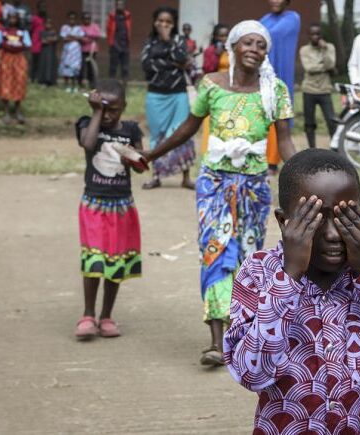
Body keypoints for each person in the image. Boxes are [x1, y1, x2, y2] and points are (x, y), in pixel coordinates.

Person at [223, 148, 360, 433]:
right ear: (284, 222)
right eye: (316, 218)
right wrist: (289, 276)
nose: (332, 234)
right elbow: (250, 372)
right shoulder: (259, 272)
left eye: (346, 217)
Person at [140, 20, 296, 366]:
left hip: (254, 187)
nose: (254, 50)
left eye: (261, 45)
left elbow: (284, 141)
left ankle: (241, 334)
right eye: (248, 43)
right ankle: (216, 341)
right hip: (214, 183)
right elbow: (188, 128)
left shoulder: (275, 91)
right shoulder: (211, 85)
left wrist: (305, 175)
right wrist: (151, 155)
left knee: (247, 256)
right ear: (234, 48)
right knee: (214, 251)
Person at [74, 78, 144, 341]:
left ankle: (106, 315)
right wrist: (95, 112)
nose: (106, 115)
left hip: (122, 206)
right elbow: (88, 144)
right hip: (94, 204)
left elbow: (141, 164)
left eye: (112, 109)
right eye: (102, 109)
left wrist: (133, 156)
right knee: (94, 259)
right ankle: (87, 314)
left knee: (115, 262)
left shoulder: (131, 130)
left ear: (123, 107)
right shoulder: (87, 123)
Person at [140, 6, 195, 190]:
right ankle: (157, 176)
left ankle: (186, 177)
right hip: (156, 96)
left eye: (168, 22)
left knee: (182, 133)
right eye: (161, 21)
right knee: (158, 136)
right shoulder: (149, 42)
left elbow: (183, 59)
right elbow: (147, 65)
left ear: (174, 24)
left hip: (178, 95)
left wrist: (167, 41)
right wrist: (173, 64)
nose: (164, 25)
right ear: (155, 22)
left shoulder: (179, 40)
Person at [261, 0, 300, 173]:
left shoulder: (293, 18)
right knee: (262, 116)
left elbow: (269, 34)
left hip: (281, 74)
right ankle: (263, 159)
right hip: (262, 75)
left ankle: (273, 162)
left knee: (279, 117)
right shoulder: (264, 18)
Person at [299, 22, 336, 149]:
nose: (315, 36)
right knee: (309, 123)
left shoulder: (329, 47)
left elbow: (331, 65)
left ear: (321, 35)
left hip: (325, 90)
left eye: (318, 34)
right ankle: (312, 148)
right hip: (309, 90)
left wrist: (324, 51)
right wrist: (324, 67)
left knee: (331, 121)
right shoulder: (304, 50)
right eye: (313, 34)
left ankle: (335, 147)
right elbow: (309, 68)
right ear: (309, 36)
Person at [198, 23, 230, 154]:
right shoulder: (210, 51)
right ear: (216, 36)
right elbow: (208, 70)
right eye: (221, 35)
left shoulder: (234, 50)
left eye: (226, 35)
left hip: (231, 88)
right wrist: (217, 55)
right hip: (216, 88)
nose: (224, 38)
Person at [0, 10, 30, 123]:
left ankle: (17, 110)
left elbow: (27, 44)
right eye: (10, 17)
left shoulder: (23, 32)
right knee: (6, 83)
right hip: (6, 59)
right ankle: (6, 112)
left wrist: (19, 46)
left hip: (19, 59)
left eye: (15, 18)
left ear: (18, 19)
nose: (12, 20)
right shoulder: (2, 31)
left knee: (19, 83)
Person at [106, 0, 131, 86]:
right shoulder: (112, 17)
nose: (120, 6)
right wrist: (111, 44)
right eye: (118, 4)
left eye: (121, 4)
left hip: (125, 45)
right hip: (115, 45)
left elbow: (128, 31)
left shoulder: (127, 16)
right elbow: (108, 30)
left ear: (124, 6)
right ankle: (111, 85)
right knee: (113, 67)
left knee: (125, 68)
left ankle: (124, 86)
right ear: (116, 6)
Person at [59, 11, 83, 93]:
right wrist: (75, 37)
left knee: (75, 69)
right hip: (67, 51)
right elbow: (64, 38)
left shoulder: (79, 28)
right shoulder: (64, 27)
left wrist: (71, 36)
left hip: (76, 52)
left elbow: (81, 38)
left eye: (73, 19)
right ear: (68, 19)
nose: (72, 20)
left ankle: (74, 85)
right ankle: (67, 85)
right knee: (66, 68)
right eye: (70, 19)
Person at [79, 12, 100, 89]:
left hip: (92, 51)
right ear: (82, 20)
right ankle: (81, 84)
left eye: (88, 18)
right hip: (82, 50)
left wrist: (86, 35)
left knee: (91, 68)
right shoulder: (80, 28)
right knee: (82, 68)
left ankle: (92, 84)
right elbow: (80, 38)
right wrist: (90, 38)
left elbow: (97, 36)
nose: (86, 20)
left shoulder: (94, 26)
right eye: (85, 18)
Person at [36, 16, 57, 86]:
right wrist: (50, 39)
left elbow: (56, 39)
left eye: (50, 23)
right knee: (43, 65)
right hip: (44, 51)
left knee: (50, 65)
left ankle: (50, 81)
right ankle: (43, 80)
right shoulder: (42, 32)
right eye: (47, 23)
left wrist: (48, 39)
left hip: (51, 52)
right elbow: (43, 41)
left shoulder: (54, 32)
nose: (48, 25)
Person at [28, 2, 44, 82]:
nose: (43, 9)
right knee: (34, 61)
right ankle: (32, 78)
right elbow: (30, 29)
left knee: (41, 61)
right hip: (35, 41)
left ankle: (39, 77)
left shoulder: (45, 18)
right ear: (38, 8)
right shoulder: (34, 18)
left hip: (43, 42)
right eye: (41, 7)